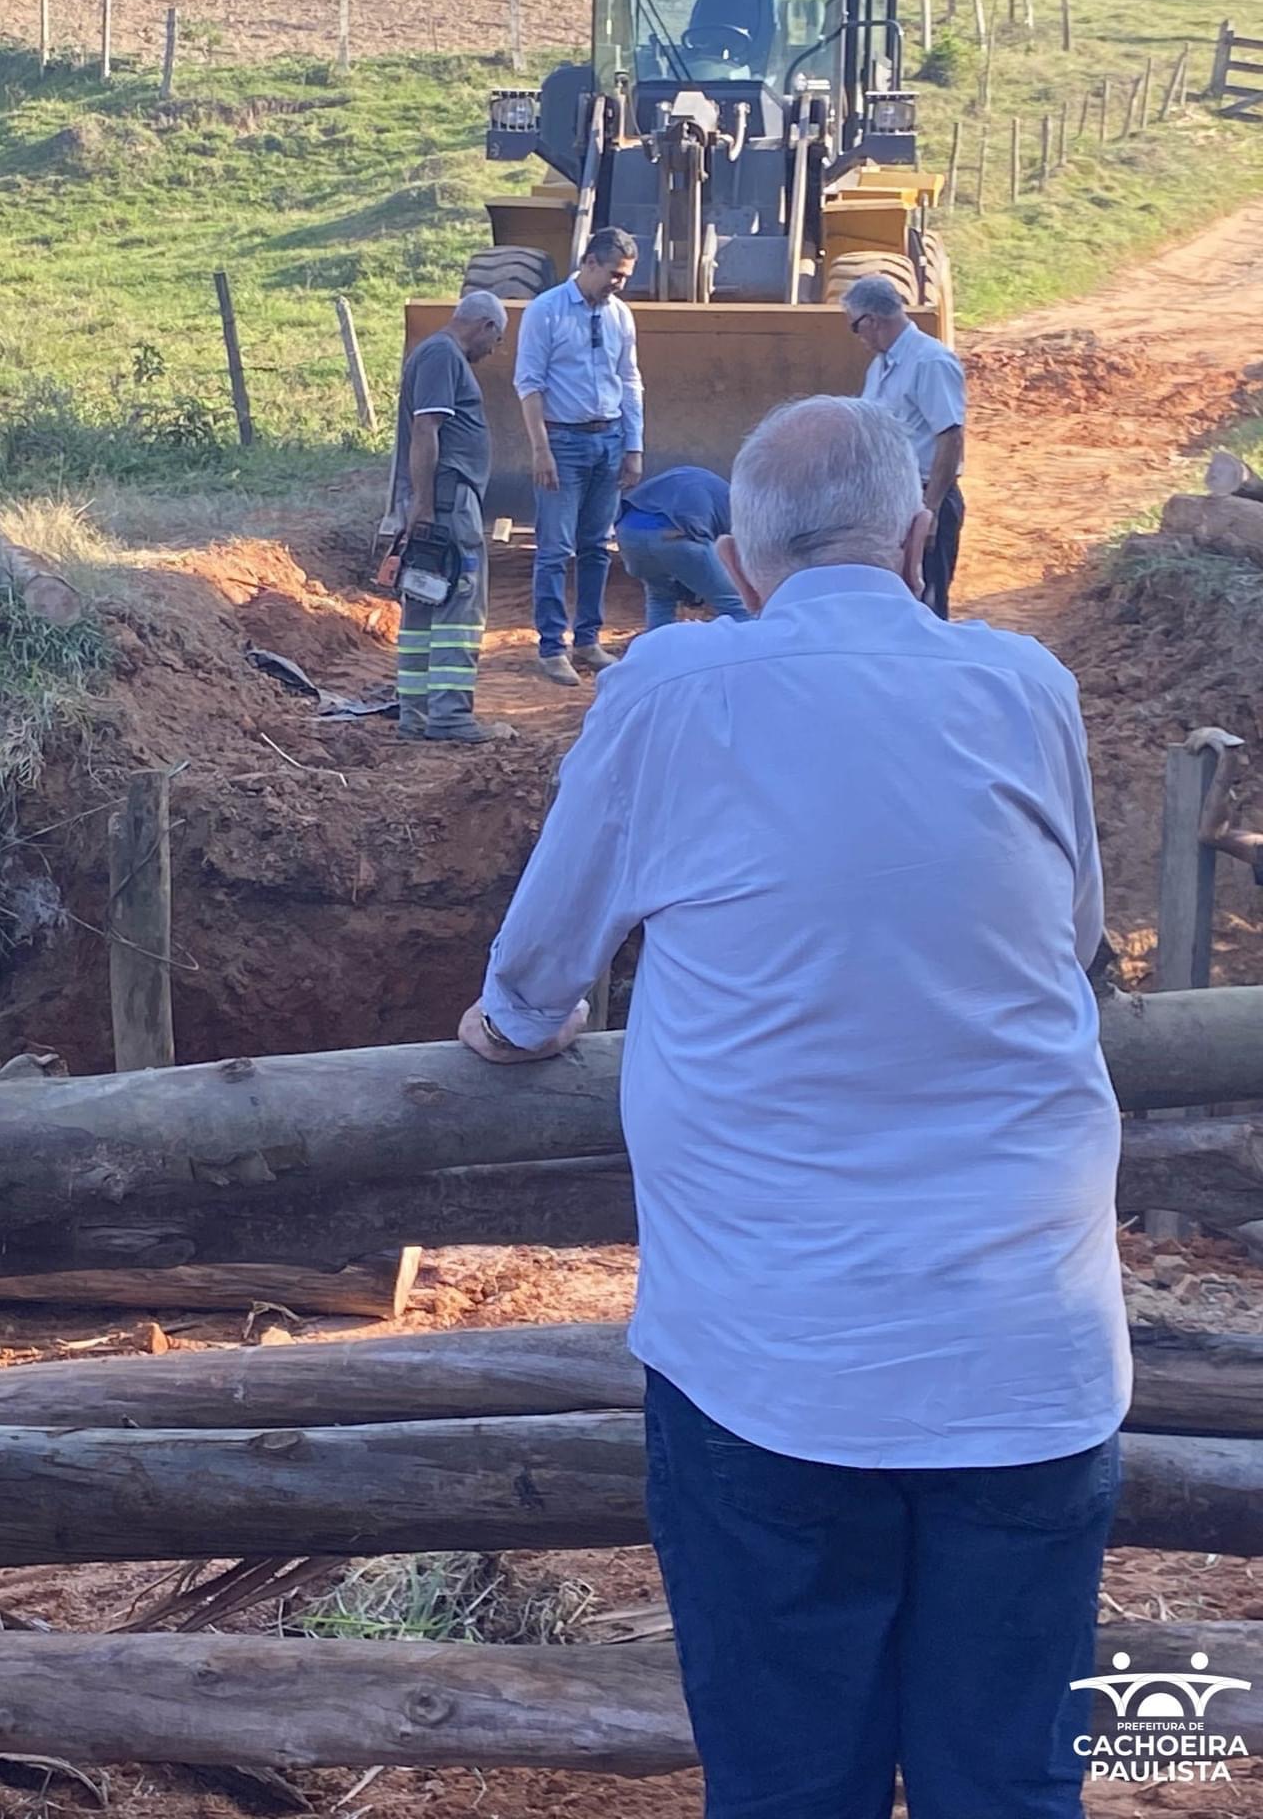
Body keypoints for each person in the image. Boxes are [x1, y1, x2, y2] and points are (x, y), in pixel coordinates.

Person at [459, 396, 1126, 1819]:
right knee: (1008, 1788)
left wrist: (520, 1029)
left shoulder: (672, 690)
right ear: (918, 535)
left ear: (738, 564)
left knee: (786, 1791)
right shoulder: (1027, 687)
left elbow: (531, 981)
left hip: (771, 1375)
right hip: (1031, 1360)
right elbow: (1074, 944)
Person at [515, 225, 644, 684]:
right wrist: (541, 449)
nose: (619, 284)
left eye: (625, 277)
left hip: (608, 439)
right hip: (563, 442)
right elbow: (530, 382)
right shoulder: (545, 312)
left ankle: (588, 639)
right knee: (555, 548)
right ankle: (552, 646)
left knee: (596, 546)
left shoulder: (620, 316)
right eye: (614, 274)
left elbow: (629, 379)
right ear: (589, 263)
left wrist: (633, 445)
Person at [392, 288, 510, 743]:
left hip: (437, 499)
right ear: (485, 326)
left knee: (425, 600)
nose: (492, 350)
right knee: (461, 603)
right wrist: (424, 503)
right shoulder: (444, 356)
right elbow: (427, 428)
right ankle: (451, 717)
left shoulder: (432, 354)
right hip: (448, 500)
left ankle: (416, 714)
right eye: (495, 340)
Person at [845, 272, 967, 618]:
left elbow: (950, 437)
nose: (857, 337)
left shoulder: (929, 361)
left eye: (854, 327)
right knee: (895, 600)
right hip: (891, 498)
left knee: (926, 601)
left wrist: (930, 511)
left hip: (924, 495)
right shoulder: (881, 365)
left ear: (872, 321)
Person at [612, 464, 748, 631]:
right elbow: (727, 557)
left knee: (660, 597)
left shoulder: (696, 480)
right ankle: (757, 652)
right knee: (736, 605)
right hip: (676, 535)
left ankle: (657, 651)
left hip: (628, 532)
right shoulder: (734, 506)